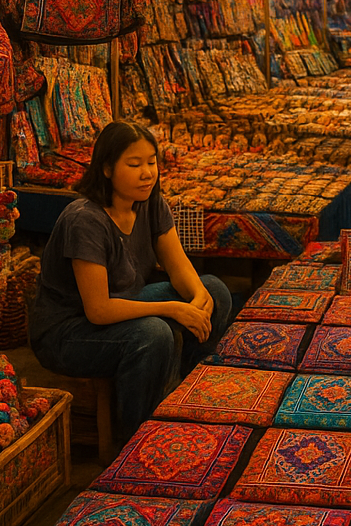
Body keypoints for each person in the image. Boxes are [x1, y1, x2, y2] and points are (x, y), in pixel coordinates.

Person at [28, 121, 233, 440]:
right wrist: (173, 310)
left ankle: (185, 399)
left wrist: (197, 297)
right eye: (135, 164)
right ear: (107, 168)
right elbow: (98, 310)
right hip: (68, 331)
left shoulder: (150, 202)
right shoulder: (85, 219)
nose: (147, 173)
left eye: (151, 162)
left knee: (215, 292)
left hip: (124, 305)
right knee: (154, 332)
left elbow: (179, 268)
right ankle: (137, 436)